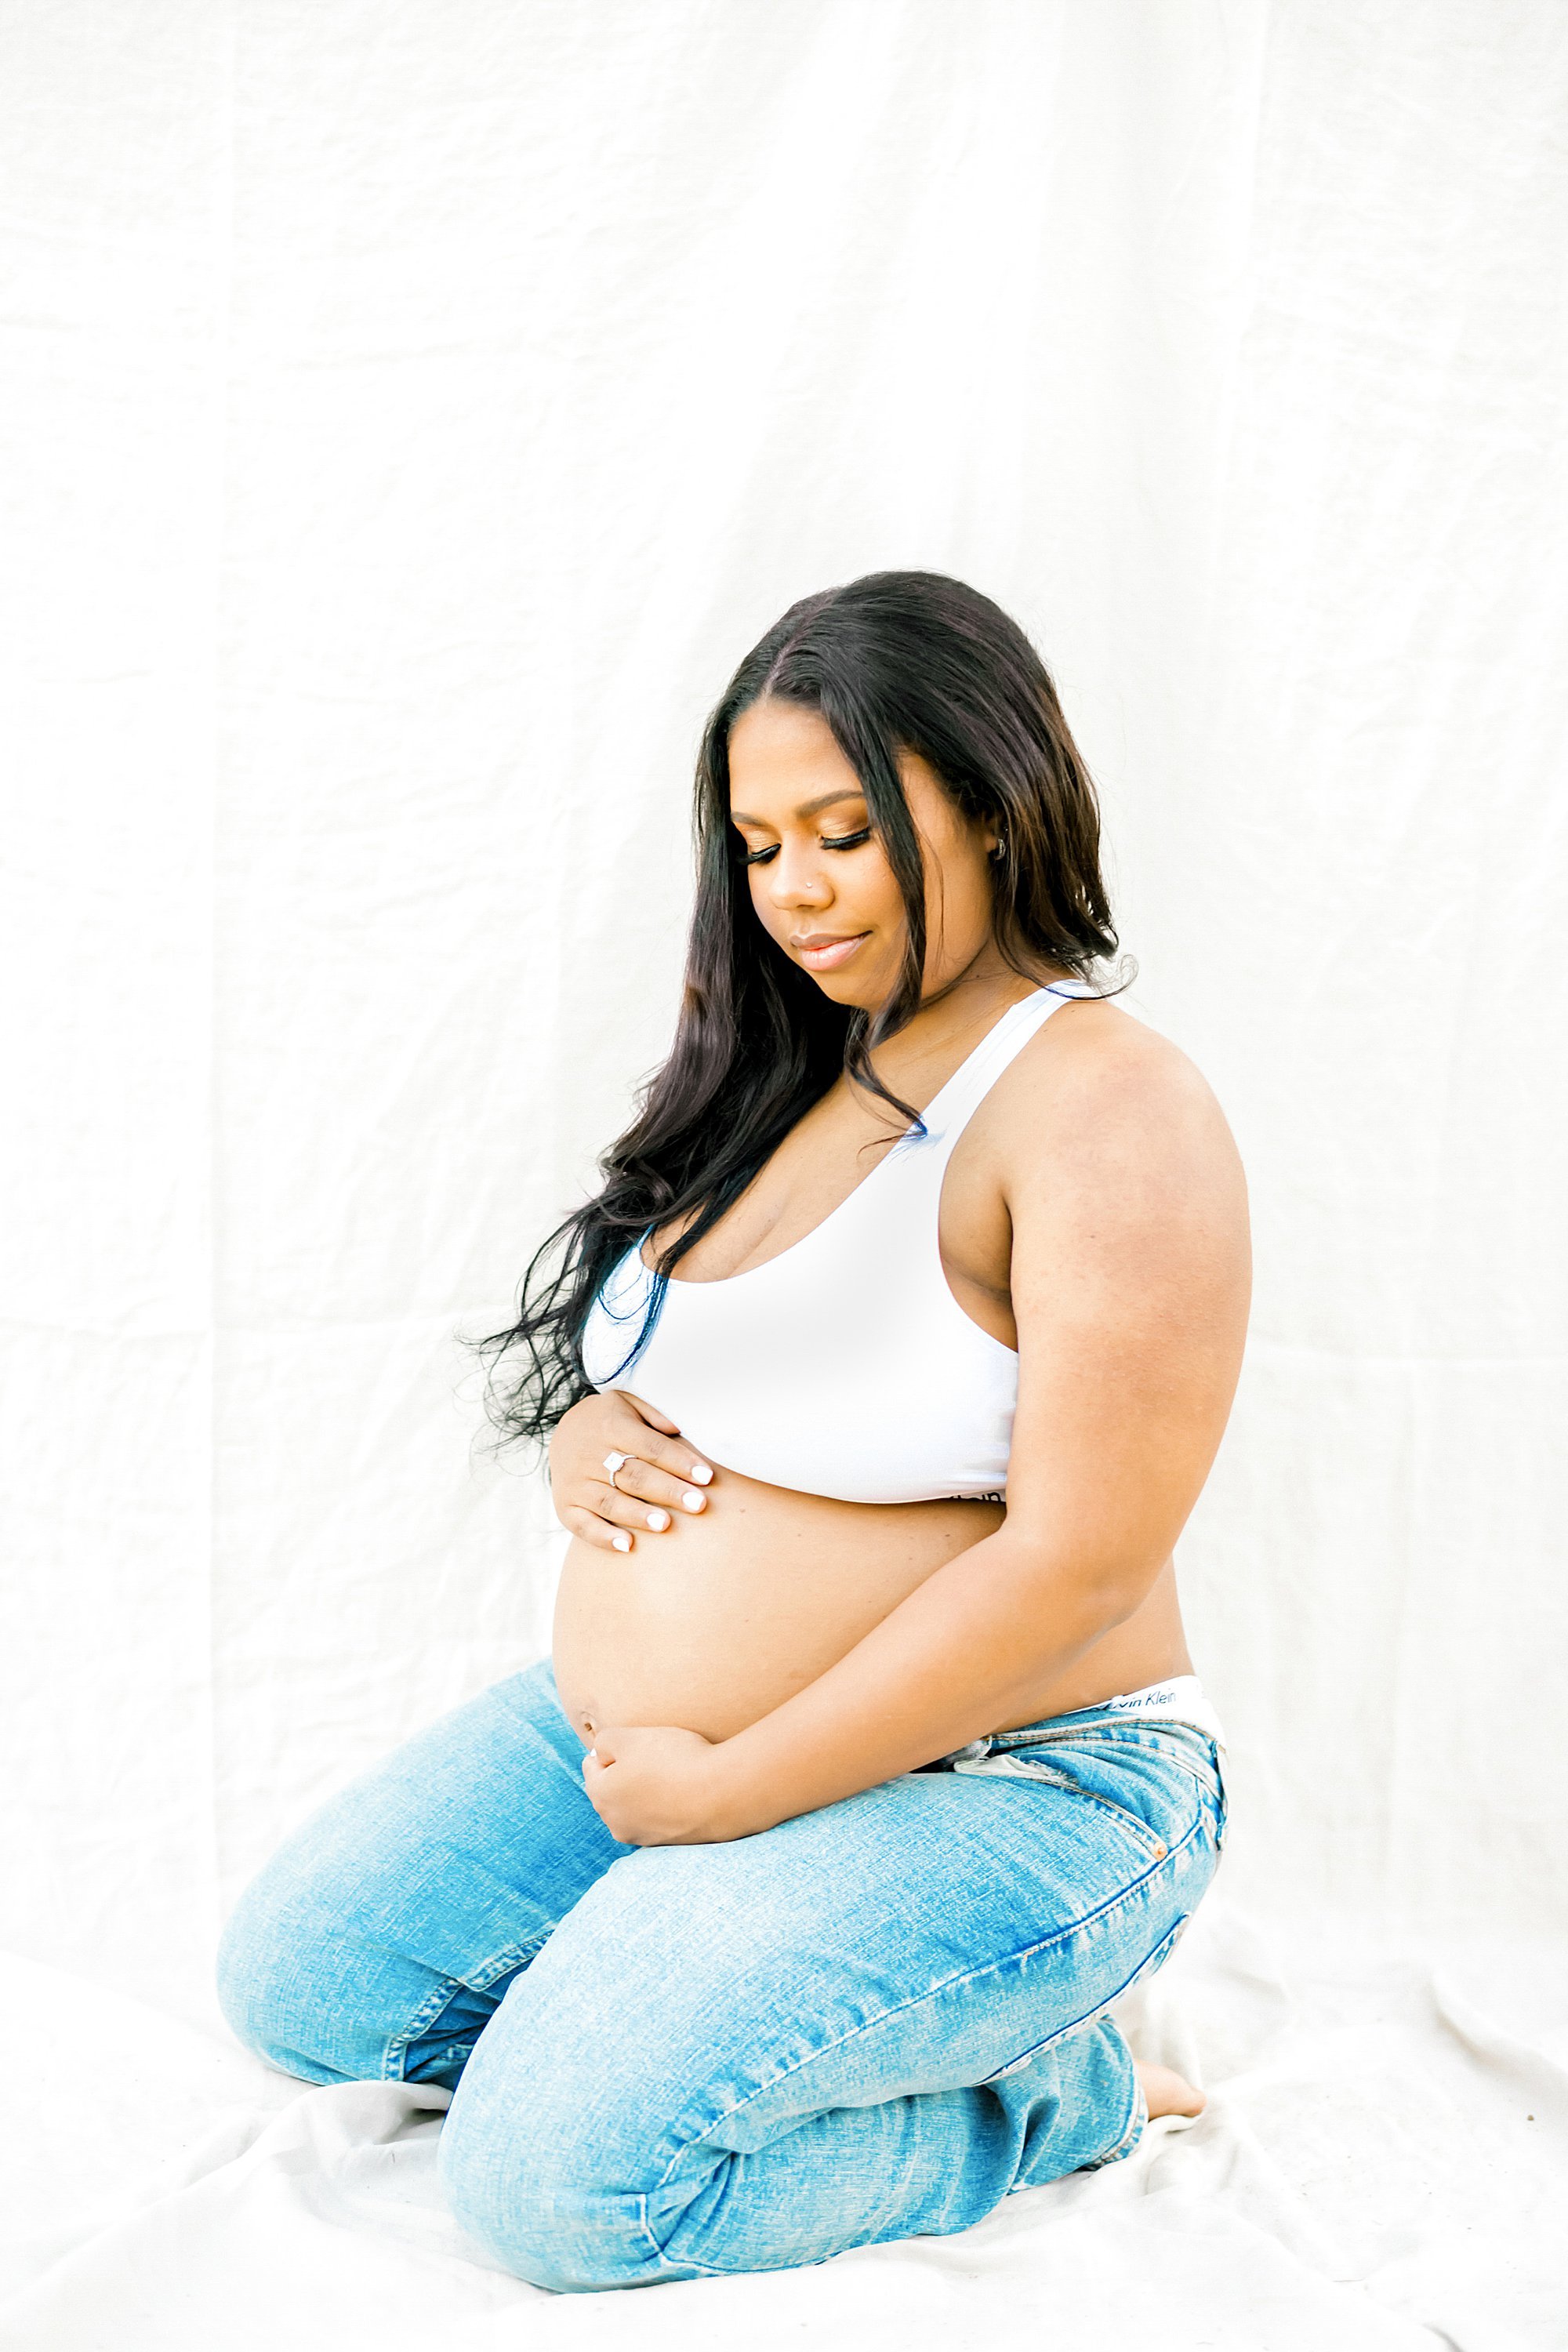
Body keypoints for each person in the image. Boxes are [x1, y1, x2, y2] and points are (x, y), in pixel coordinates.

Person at [216, 571, 1250, 2293]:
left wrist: (724, 1796)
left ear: (995, 808)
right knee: (316, 1985)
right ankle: (714, 2004)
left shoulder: (1101, 1106)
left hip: (1012, 1780)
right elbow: (705, 1367)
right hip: (684, 1759)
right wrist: (587, 1438)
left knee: (559, 2186)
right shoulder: (795, 1070)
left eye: (845, 831)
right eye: (761, 846)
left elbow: (1082, 1566)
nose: (796, 893)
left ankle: (1058, 2086)